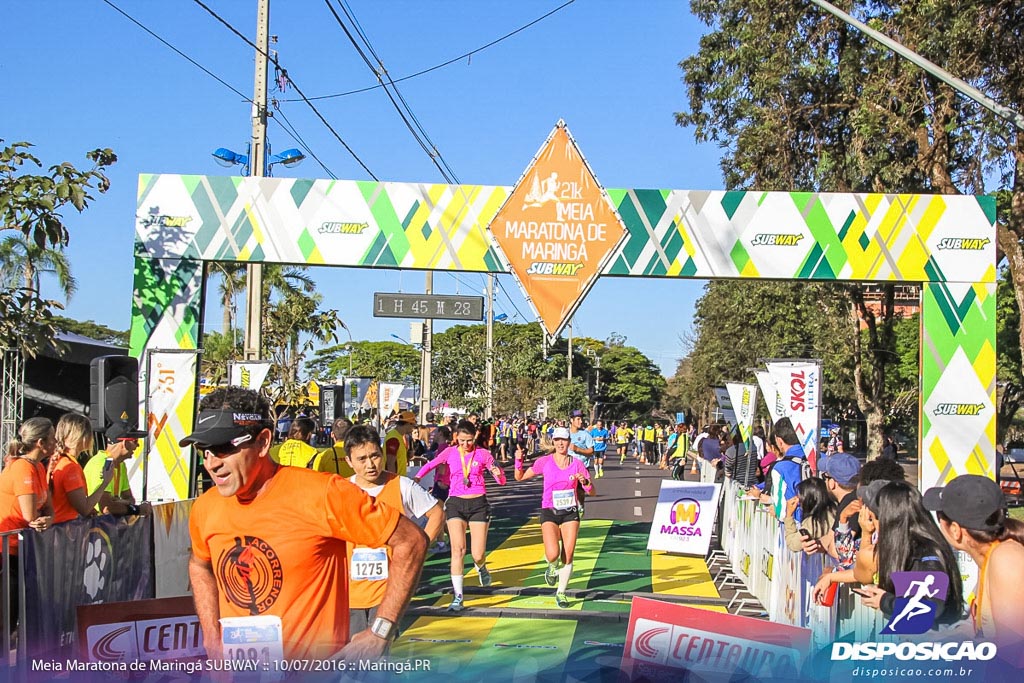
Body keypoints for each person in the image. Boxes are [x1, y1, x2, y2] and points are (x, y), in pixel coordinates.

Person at [184, 387, 427, 661]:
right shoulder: (206, 507)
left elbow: (411, 540)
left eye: (224, 448)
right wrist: (212, 639)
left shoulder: (323, 493)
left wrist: (381, 630)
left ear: (263, 442)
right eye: (204, 451)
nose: (212, 464)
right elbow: (199, 563)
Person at [343, 425, 443, 634]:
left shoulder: (401, 485)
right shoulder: (340, 490)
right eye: (362, 459)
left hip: (388, 595)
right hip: (348, 595)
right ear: (349, 462)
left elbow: (436, 513)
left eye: (375, 456)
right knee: (350, 658)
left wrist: (418, 551)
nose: (370, 464)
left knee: (378, 655)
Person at [926, 475, 1024, 662]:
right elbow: (987, 632)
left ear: (955, 530)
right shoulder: (989, 557)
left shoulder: (1006, 558)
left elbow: (1014, 653)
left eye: (940, 518)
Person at [413, 420, 506, 612]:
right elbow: (431, 465)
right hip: (455, 503)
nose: (466, 445)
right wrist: (416, 478)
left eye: (469, 440)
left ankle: (481, 567)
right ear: (456, 438)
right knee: (458, 550)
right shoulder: (449, 452)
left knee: (478, 553)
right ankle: (458, 596)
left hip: (478, 504)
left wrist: (498, 474)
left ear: (475, 437)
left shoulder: (483, 454)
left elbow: (501, 479)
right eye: (462, 440)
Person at [849, 481, 963, 629]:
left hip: (932, 643)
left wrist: (885, 601)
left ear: (890, 518)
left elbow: (931, 607)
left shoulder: (926, 552)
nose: (875, 522)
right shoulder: (904, 547)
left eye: (876, 517)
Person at [514, 427, 594, 608]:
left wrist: (585, 483)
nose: (560, 443)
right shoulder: (545, 462)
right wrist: (518, 460)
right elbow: (519, 477)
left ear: (569, 442)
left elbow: (592, 490)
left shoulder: (577, 463)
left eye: (564, 440)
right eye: (557, 440)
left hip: (570, 512)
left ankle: (561, 592)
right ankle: (551, 566)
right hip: (549, 510)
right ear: (553, 441)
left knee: (569, 554)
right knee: (553, 554)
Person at [0, 418, 55, 633]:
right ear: (41, 442)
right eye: (52, 438)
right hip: (6, 550)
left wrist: (48, 518)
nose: (56, 442)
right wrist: (44, 517)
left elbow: (49, 508)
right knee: (7, 615)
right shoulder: (22, 468)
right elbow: (30, 515)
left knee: (16, 613)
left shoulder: (39, 467)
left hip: (23, 549)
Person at [48, 413, 116, 523]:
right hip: (63, 528)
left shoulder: (61, 460)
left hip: (61, 526)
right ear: (82, 437)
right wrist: (104, 482)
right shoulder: (69, 466)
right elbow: (84, 508)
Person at [83, 421, 150, 516]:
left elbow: (130, 499)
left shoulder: (120, 464)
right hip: (97, 528)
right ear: (124, 443)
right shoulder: (101, 464)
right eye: (135, 441)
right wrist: (137, 510)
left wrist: (118, 502)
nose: (138, 445)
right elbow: (106, 508)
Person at [783, 477, 837, 552]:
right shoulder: (836, 508)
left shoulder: (813, 524)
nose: (798, 501)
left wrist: (788, 515)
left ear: (809, 501)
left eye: (801, 499)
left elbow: (793, 544)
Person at [384, 410, 416, 475]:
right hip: (395, 480)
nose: (413, 428)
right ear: (408, 423)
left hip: (399, 479)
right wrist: (393, 481)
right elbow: (390, 463)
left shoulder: (398, 436)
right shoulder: (394, 438)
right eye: (413, 425)